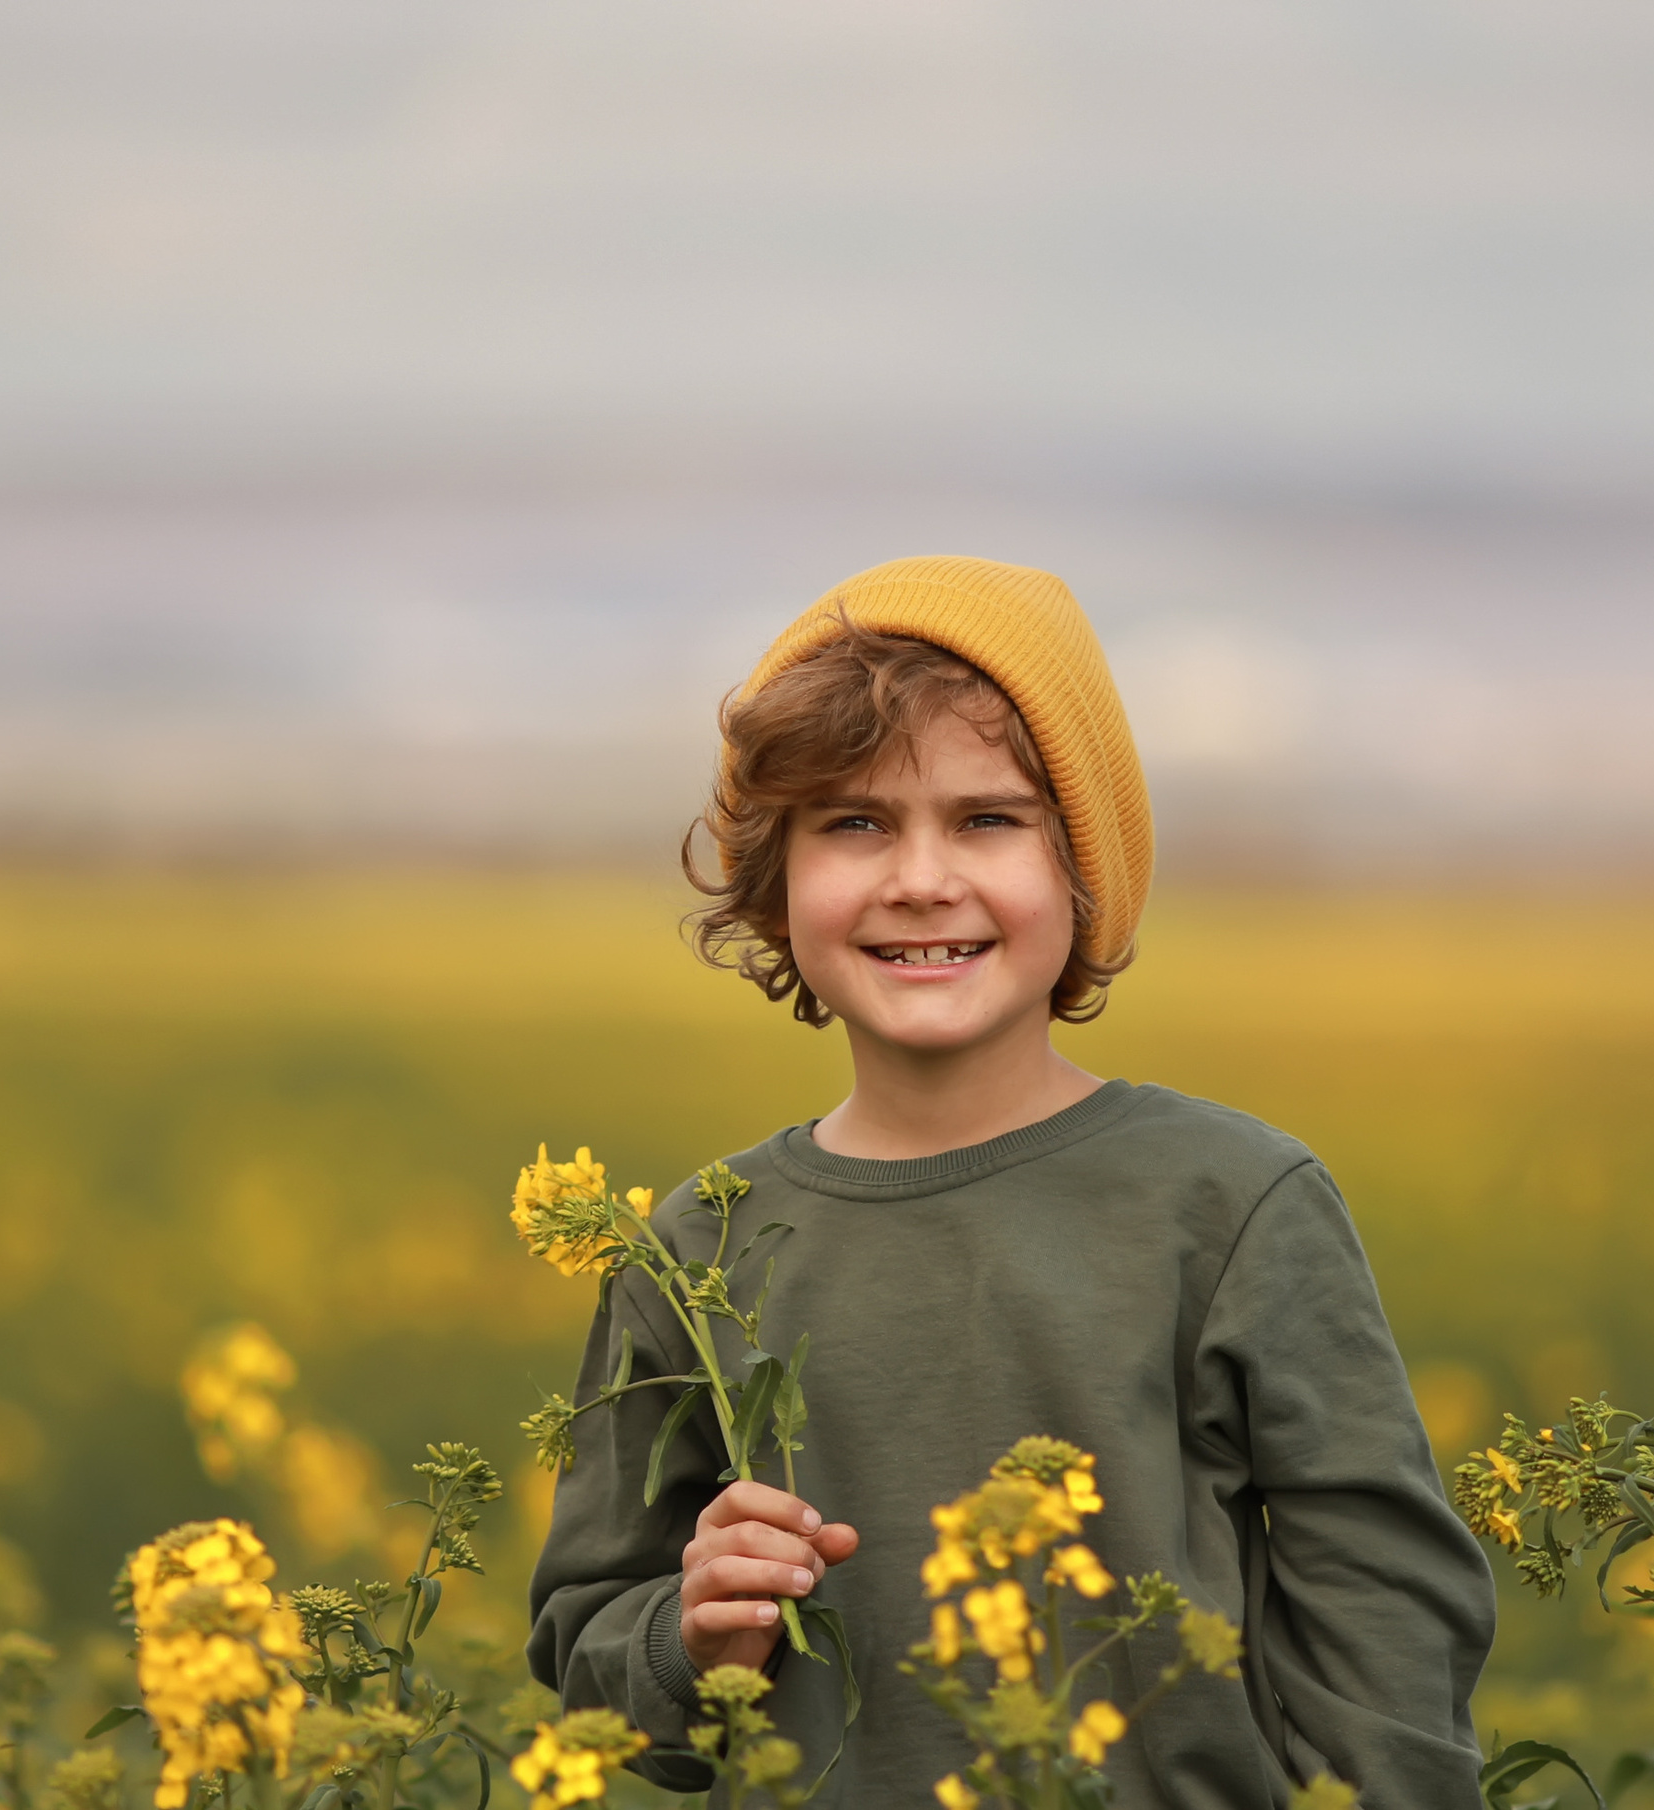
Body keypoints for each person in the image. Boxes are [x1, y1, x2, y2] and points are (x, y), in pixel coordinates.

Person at [525, 556, 1495, 1807]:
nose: (920, 878)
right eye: (853, 822)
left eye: (987, 820)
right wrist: (692, 1633)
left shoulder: (1229, 1202)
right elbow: (593, 1658)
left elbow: (1386, 1625)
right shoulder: (692, 1244)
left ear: (1084, 868)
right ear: (774, 882)